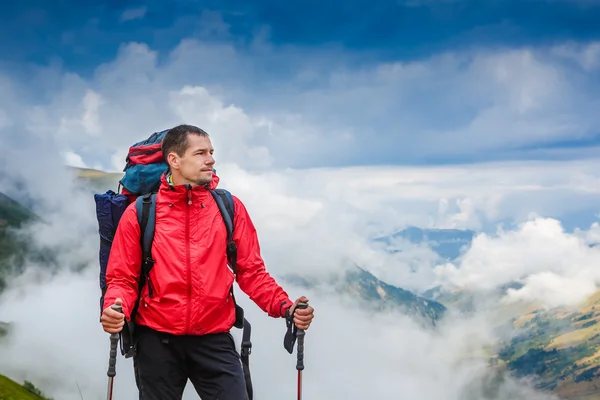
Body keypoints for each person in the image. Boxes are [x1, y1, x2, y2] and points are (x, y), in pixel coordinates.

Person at [99, 124, 315, 400]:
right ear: (174, 160)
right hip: (156, 339)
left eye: (211, 152)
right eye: (200, 153)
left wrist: (285, 306)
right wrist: (114, 307)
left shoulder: (228, 207)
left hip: (214, 336)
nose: (210, 159)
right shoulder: (140, 213)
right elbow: (122, 278)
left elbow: (251, 271)